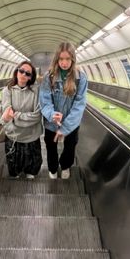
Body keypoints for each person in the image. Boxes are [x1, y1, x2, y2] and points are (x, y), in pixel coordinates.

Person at [39, 42, 88, 179]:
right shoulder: (49, 76)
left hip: (71, 123)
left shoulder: (80, 78)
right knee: (51, 147)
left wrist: (66, 127)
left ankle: (65, 166)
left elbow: (79, 104)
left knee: (70, 147)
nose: (64, 63)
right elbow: (44, 100)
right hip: (51, 122)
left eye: (67, 59)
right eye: (61, 59)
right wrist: (51, 114)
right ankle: (53, 168)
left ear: (73, 59)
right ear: (57, 59)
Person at [0, 60, 43, 178]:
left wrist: (16, 116)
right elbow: (7, 114)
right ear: (16, 72)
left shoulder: (36, 91)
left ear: (31, 77)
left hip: (32, 136)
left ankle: (30, 171)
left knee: (31, 172)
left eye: (28, 73)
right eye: (21, 71)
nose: (23, 74)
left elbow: (37, 116)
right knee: (14, 170)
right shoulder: (7, 90)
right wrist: (18, 117)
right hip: (13, 136)